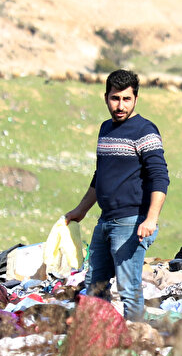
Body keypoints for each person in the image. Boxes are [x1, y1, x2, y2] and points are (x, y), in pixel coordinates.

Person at [65, 69, 170, 322]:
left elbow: (160, 177)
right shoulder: (105, 129)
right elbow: (99, 175)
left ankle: (136, 344)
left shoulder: (145, 130)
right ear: (105, 98)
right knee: (94, 285)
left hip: (132, 222)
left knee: (128, 288)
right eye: (115, 98)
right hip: (106, 220)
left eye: (126, 99)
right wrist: (81, 210)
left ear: (136, 99)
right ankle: (99, 337)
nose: (120, 105)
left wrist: (151, 219)